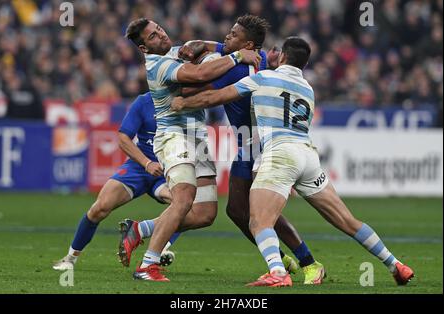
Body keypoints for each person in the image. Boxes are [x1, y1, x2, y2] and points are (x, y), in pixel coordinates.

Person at [171, 36, 415, 287]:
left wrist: (183, 102)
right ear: (305, 64)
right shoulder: (308, 89)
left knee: (258, 221)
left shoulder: (263, 78)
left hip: (280, 154)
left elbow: (216, 97)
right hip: (308, 156)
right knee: (348, 221)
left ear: (284, 57)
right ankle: (395, 264)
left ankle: (277, 272)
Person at [177, 15, 325, 284]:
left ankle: (307, 262)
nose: (226, 37)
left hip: (258, 145)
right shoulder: (264, 61)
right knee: (237, 210)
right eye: (229, 32)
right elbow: (215, 46)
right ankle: (282, 260)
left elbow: (192, 89)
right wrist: (205, 48)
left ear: (247, 44)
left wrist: (176, 82)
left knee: (260, 213)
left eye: (233, 35)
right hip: (249, 145)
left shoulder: (235, 69)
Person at [119, 18, 261, 281]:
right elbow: (200, 75)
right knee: (183, 199)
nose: (161, 35)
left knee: (205, 213)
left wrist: (218, 47)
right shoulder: (158, 65)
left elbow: (214, 49)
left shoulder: (174, 52)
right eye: (152, 37)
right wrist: (240, 55)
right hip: (174, 138)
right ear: (143, 48)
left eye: (159, 29)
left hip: (198, 138)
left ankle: (141, 230)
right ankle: (148, 266)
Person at [53, 93, 180, 271]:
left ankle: (161, 247)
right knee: (100, 207)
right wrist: (147, 163)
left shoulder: (186, 101)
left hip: (170, 170)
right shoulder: (144, 102)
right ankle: (70, 258)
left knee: (184, 204)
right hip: (141, 166)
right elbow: (123, 138)